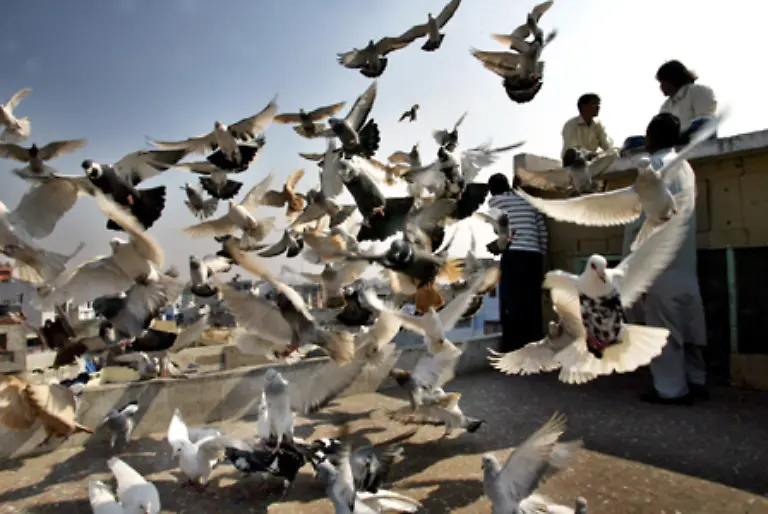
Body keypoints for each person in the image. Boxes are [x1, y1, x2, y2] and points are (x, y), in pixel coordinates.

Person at [622, 112, 708, 405]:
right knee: (690, 327)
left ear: (652, 137)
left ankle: (670, 389)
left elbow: (640, 221)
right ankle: (697, 380)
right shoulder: (686, 167)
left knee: (663, 332)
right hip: (686, 261)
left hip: (660, 265)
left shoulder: (655, 167)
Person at [487, 173, 548, 353]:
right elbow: (543, 231)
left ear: (493, 190)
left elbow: (497, 230)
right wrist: (541, 256)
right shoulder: (530, 201)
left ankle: (513, 347)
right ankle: (535, 345)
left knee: (511, 301)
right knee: (532, 302)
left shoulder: (495, 202)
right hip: (534, 256)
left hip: (514, 254)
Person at [657, 60, 717, 143]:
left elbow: (706, 123)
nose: (661, 87)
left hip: (696, 142)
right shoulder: (666, 106)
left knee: (704, 121)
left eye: (663, 82)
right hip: (675, 145)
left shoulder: (698, 91)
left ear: (672, 79)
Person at [561, 93, 615, 166]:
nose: (598, 107)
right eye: (594, 104)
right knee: (573, 154)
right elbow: (571, 149)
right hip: (573, 164)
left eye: (598, 104)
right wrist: (592, 155)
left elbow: (607, 145)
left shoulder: (598, 125)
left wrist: (613, 152)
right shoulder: (571, 125)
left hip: (591, 163)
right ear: (583, 106)